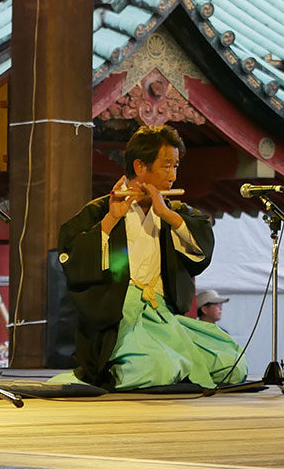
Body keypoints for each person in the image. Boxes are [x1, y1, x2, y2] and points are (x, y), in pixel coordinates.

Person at [57, 125, 247, 390]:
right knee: (158, 367)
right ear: (139, 166)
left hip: (163, 316)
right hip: (120, 319)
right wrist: (112, 219)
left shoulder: (175, 212)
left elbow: (200, 252)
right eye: (166, 166)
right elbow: (74, 261)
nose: (172, 175)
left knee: (232, 362)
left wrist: (167, 214)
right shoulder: (100, 210)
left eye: (176, 166)